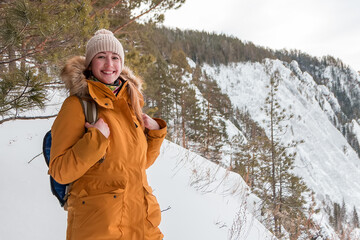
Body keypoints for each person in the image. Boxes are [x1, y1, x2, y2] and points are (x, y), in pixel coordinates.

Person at [49, 29, 167, 240]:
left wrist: (155, 136)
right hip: (101, 228)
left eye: (115, 57)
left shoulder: (131, 106)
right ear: (90, 64)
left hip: (141, 225)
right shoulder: (77, 106)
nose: (109, 64)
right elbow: (60, 171)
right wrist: (96, 140)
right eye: (101, 57)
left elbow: (135, 165)